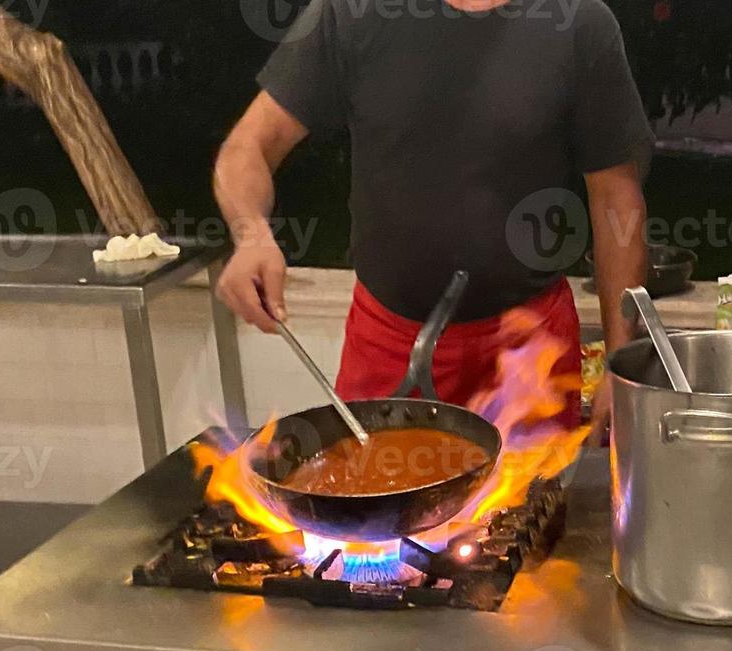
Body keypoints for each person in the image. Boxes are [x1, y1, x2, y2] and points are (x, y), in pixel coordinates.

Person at [213, 0, 651, 432]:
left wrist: (620, 365)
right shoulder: (353, 12)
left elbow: (616, 200)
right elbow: (248, 147)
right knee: (372, 499)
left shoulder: (579, 21)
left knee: (539, 504)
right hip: (388, 343)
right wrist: (251, 236)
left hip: (528, 353)